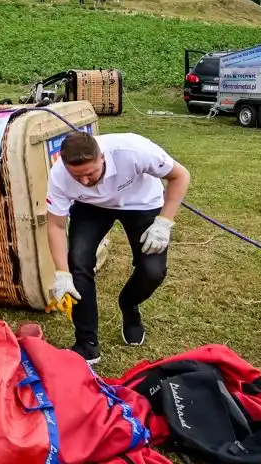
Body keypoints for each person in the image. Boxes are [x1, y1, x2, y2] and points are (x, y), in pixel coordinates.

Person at [46, 132, 191, 365]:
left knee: (153, 271)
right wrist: (62, 273)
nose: (84, 181)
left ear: (102, 157)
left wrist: (164, 222)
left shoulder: (133, 151)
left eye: (90, 173)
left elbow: (180, 176)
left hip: (141, 203)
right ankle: (87, 344)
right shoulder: (60, 175)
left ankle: (129, 304)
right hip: (91, 207)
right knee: (78, 262)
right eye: (77, 176)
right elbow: (55, 224)